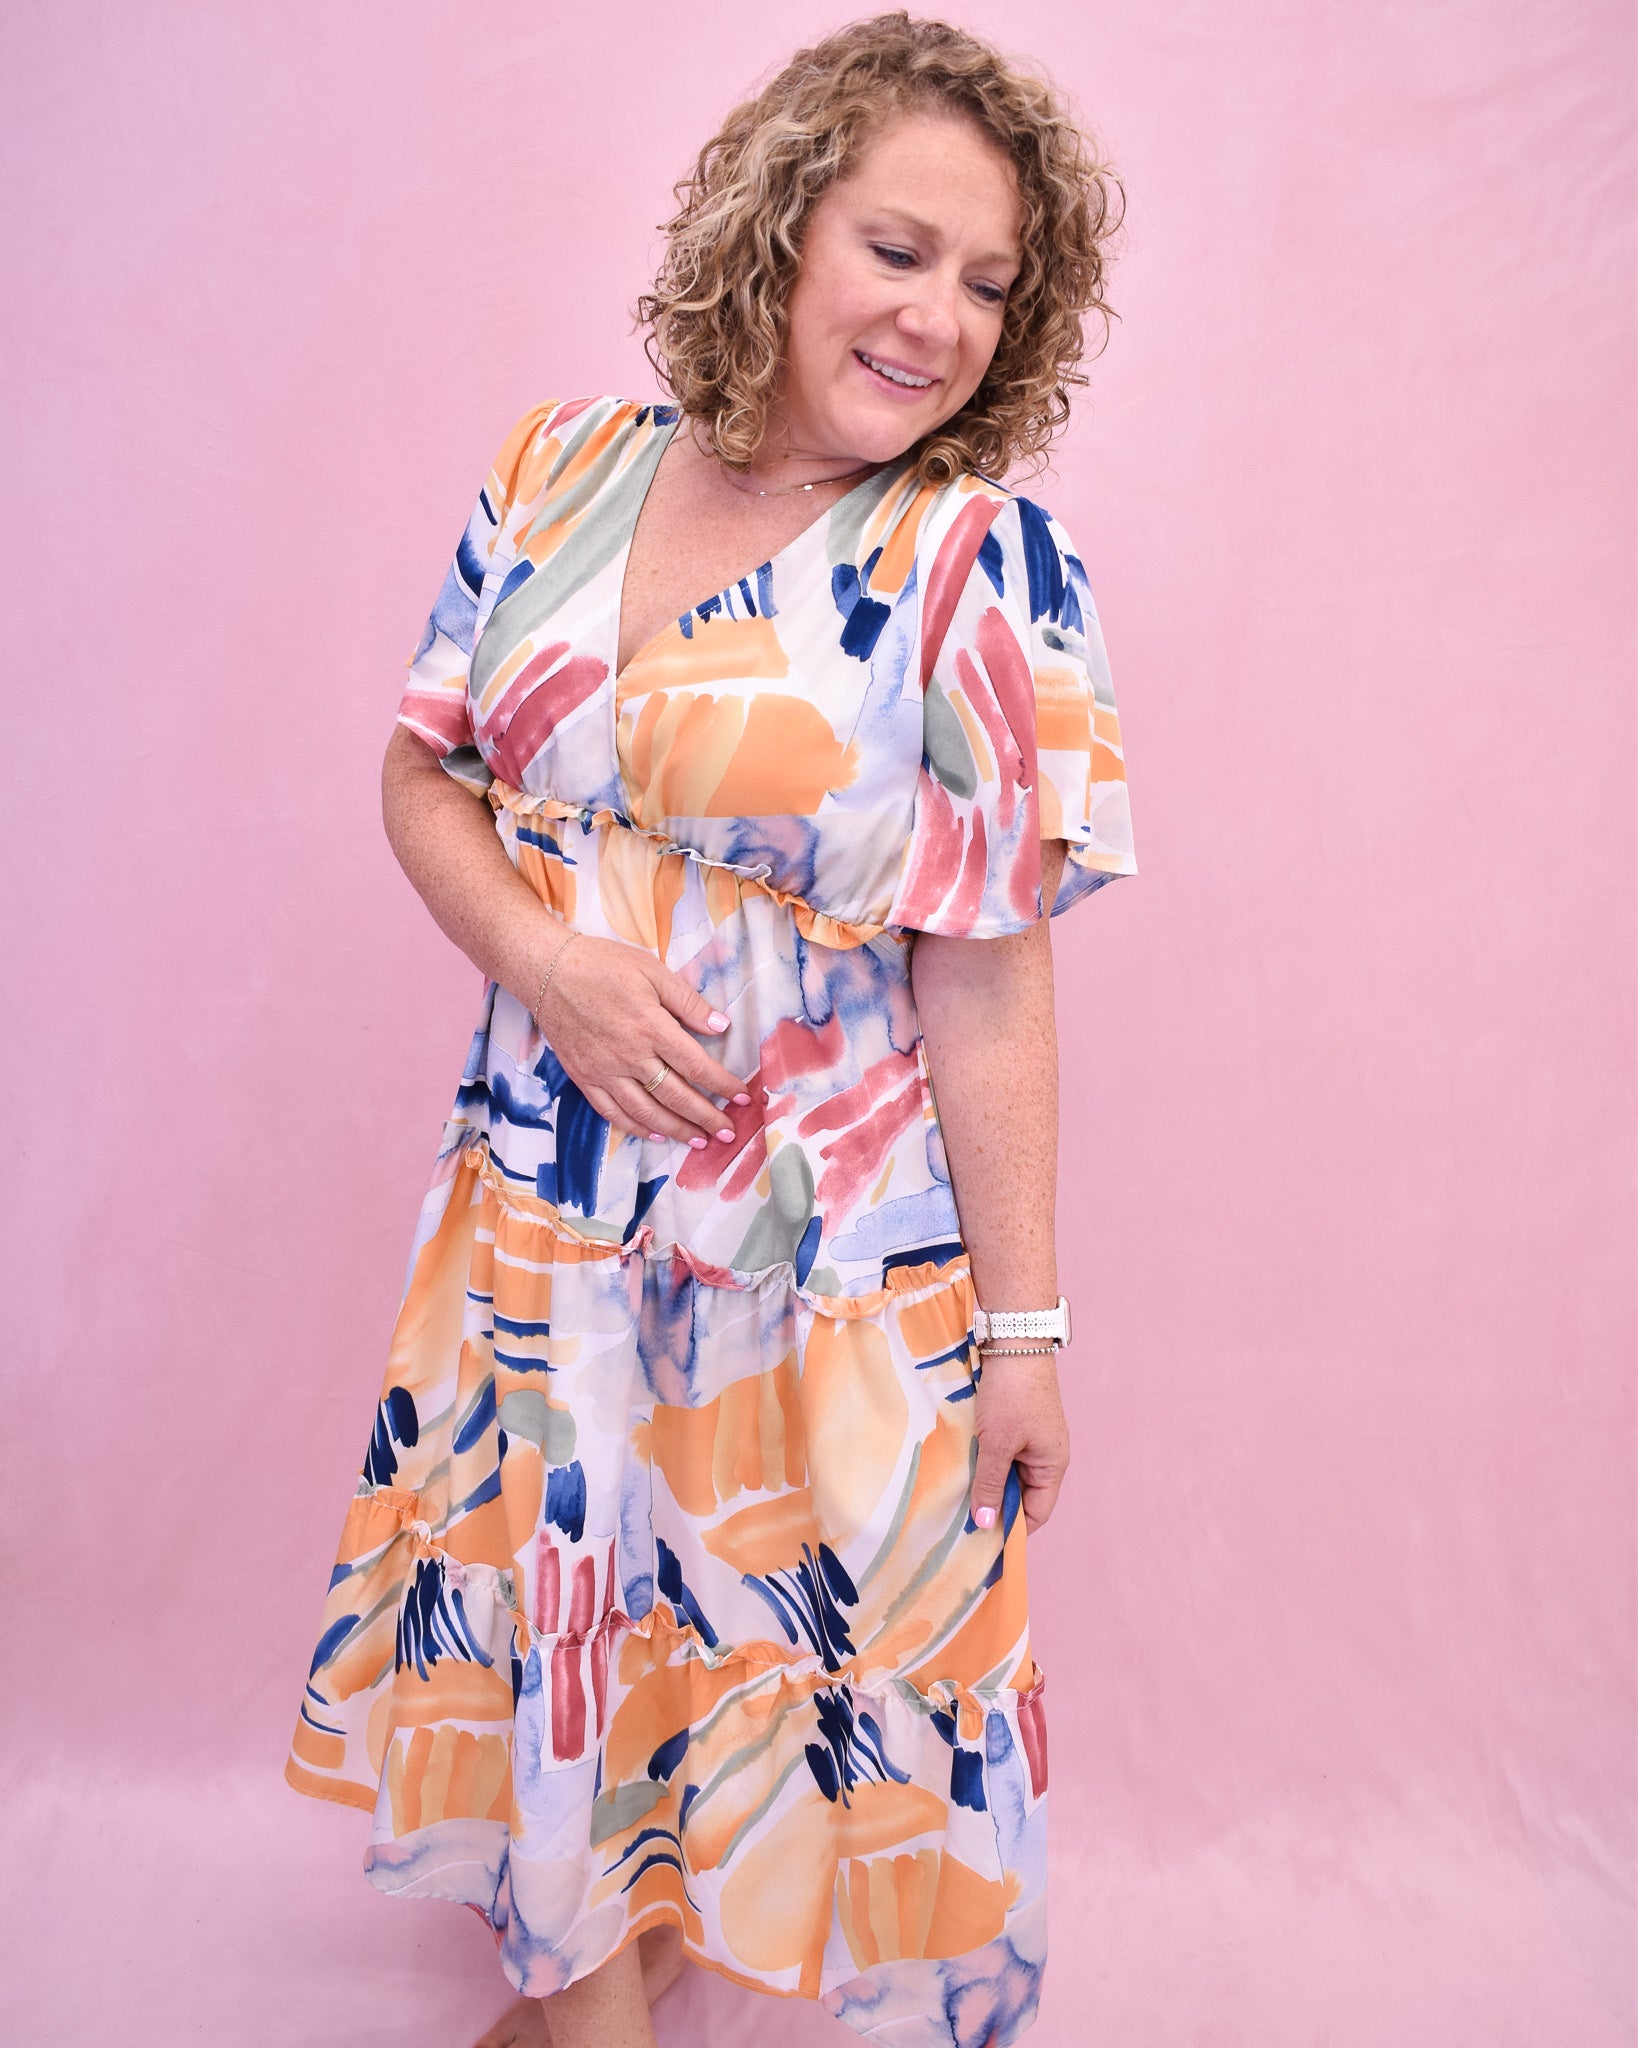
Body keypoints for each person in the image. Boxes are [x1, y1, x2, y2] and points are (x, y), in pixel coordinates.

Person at [285, 14, 1137, 2047]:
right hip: (543, 1218)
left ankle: (630, 1961)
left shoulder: (975, 567)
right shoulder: (558, 471)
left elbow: (992, 968)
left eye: (991, 283)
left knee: (772, 1652)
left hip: (821, 1271)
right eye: (901, 247)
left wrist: (1025, 1340)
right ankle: (593, 1996)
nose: (941, 317)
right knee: (561, 1626)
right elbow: (424, 778)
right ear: (783, 224)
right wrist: (555, 966)